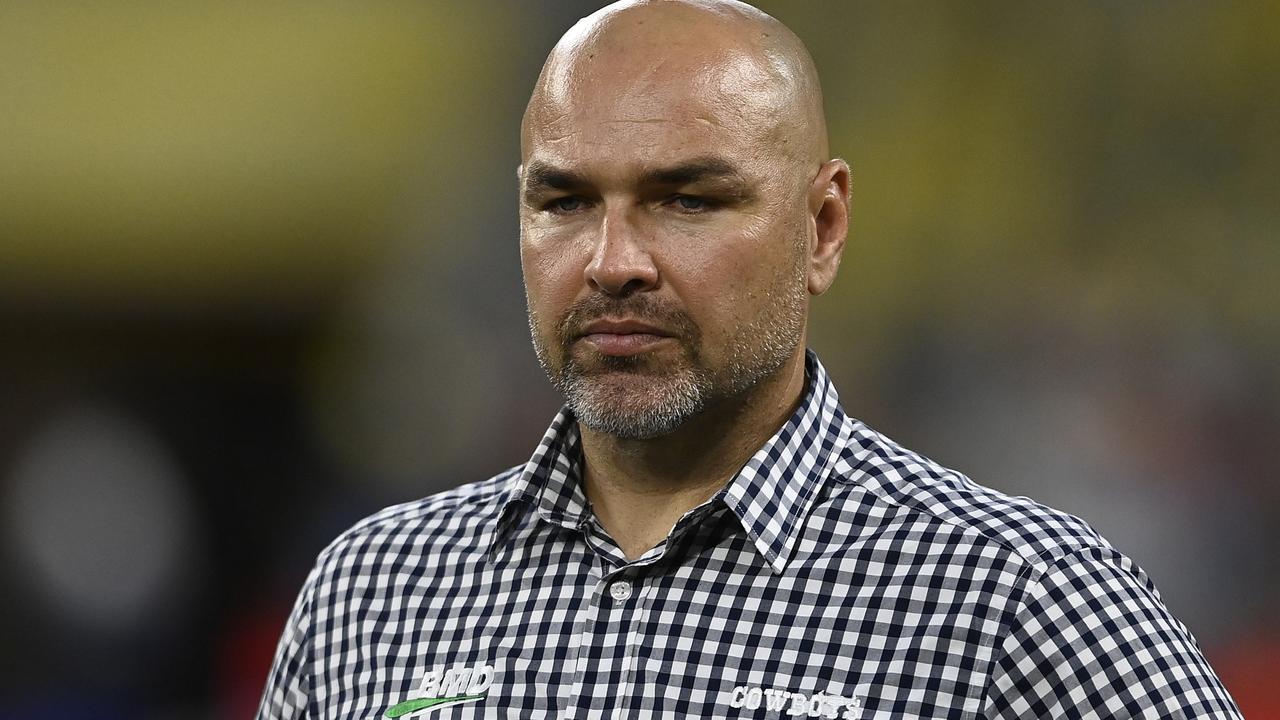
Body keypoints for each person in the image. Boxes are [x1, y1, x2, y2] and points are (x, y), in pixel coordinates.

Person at [258, 1, 1242, 718]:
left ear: (820, 227)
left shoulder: (1022, 598)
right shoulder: (370, 593)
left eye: (687, 200)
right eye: (562, 203)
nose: (612, 264)